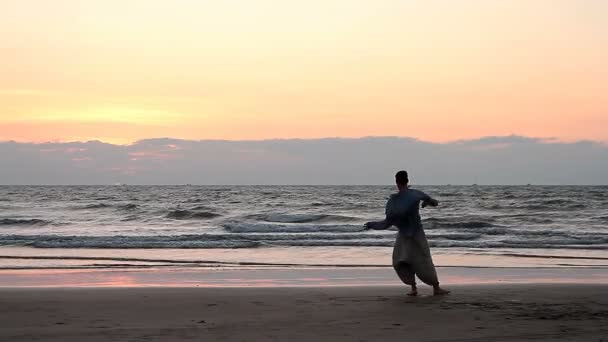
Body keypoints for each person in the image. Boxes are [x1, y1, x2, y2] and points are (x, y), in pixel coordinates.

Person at [365, 170, 449, 296]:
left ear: (396, 182)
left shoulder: (393, 202)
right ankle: (435, 288)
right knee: (424, 259)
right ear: (407, 180)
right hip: (416, 233)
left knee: (401, 260)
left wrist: (372, 225)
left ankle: (414, 288)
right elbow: (434, 202)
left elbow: (386, 223)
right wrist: (428, 203)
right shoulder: (415, 194)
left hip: (405, 234)